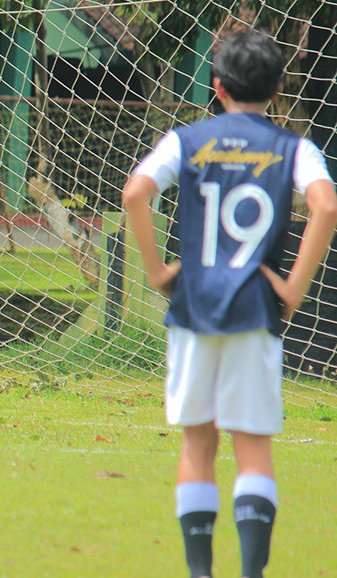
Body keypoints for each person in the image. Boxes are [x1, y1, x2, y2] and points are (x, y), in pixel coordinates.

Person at [123, 29, 337, 578]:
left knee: (198, 444)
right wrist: (293, 289)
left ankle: (200, 573)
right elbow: (326, 207)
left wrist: (157, 272)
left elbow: (135, 192)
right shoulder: (294, 148)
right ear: (279, 88)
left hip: (193, 307)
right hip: (254, 310)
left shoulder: (187, 140)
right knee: (253, 448)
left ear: (216, 86)